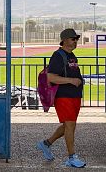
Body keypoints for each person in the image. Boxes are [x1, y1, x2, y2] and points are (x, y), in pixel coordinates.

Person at [36, 28, 86, 168]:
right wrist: (71, 80)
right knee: (70, 125)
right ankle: (71, 158)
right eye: (73, 38)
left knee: (68, 126)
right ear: (64, 40)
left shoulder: (72, 56)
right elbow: (51, 77)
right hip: (64, 96)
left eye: (76, 39)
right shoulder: (58, 56)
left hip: (74, 96)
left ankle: (46, 144)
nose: (75, 41)